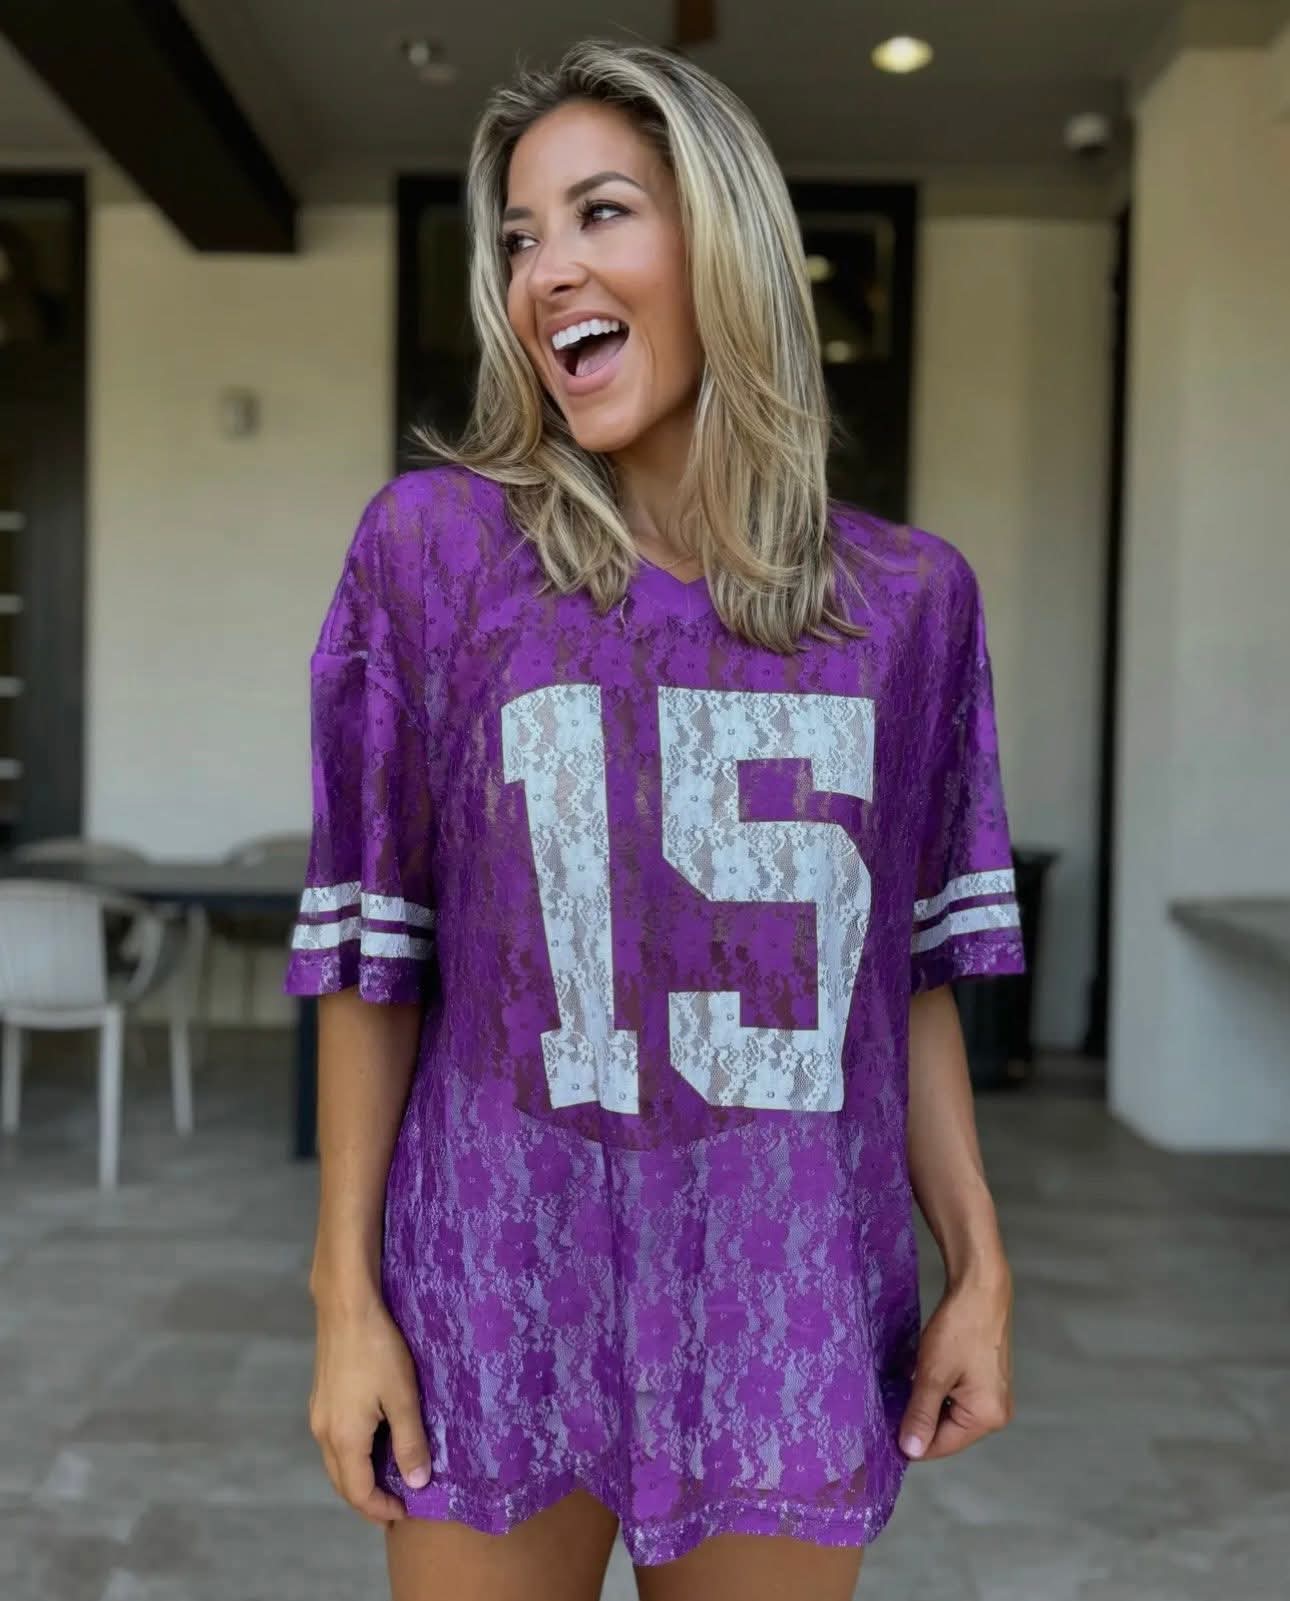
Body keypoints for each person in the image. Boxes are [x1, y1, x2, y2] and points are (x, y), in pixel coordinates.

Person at [287, 38, 1021, 1601]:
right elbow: (374, 957)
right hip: (494, 1280)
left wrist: (978, 1261)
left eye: (600, 212)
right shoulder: (436, 558)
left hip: (784, 1292)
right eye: (518, 237)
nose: (546, 269)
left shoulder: (907, 605)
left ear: (722, 244)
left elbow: (900, 980)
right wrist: (344, 1296)